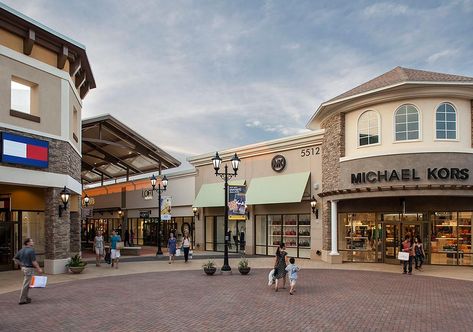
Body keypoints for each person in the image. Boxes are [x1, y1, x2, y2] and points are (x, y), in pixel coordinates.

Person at [13, 238, 42, 305]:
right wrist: (39, 268)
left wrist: (21, 264)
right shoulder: (31, 250)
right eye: (31, 241)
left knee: (28, 284)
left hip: (24, 269)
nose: (33, 242)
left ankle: (25, 297)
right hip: (29, 269)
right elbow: (33, 261)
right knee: (26, 285)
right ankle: (22, 300)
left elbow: (15, 258)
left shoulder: (22, 250)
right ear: (28, 243)